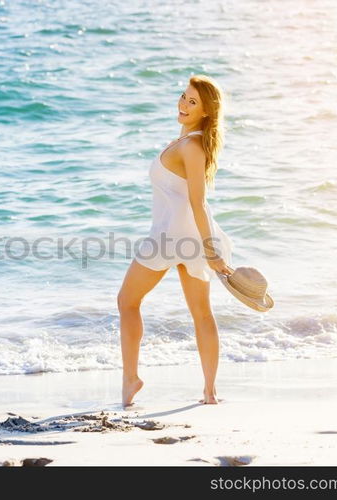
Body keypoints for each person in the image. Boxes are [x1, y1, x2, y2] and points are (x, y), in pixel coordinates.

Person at [117, 75, 235, 408]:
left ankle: (130, 380)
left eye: (193, 102)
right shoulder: (186, 143)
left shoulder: (192, 147)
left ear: (207, 113)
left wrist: (212, 251)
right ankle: (209, 392)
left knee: (127, 300)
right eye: (183, 96)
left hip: (172, 236)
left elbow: (198, 201)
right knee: (201, 313)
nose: (183, 104)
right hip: (186, 236)